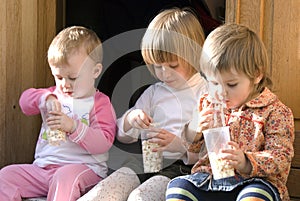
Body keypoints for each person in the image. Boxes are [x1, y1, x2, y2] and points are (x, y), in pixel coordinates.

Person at [78, 7, 207, 201]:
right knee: (100, 194)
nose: (164, 74)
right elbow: (122, 135)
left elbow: (211, 151)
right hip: (144, 161)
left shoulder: (205, 93)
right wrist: (132, 119)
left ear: (192, 55)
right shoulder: (155, 92)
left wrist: (179, 146)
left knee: (140, 198)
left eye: (173, 66)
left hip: (180, 169)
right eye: (157, 66)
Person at [166, 23, 295, 201]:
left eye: (231, 84)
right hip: (209, 180)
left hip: (253, 182)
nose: (221, 92)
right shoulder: (207, 102)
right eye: (214, 83)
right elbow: (190, 147)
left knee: (255, 196)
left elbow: (281, 157)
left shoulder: (275, 111)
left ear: (257, 74)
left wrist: (245, 161)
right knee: (178, 189)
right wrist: (194, 129)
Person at [0, 26, 117, 201]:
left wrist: (73, 126)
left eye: (73, 78)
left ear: (95, 71)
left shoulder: (99, 103)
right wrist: (45, 98)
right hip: (43, 170)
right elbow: (25, 102)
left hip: (84, 170)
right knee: (6, 175)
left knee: (65, 177)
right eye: (59, 77)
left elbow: (103, 143)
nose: (65, 84)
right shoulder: (53, 95)